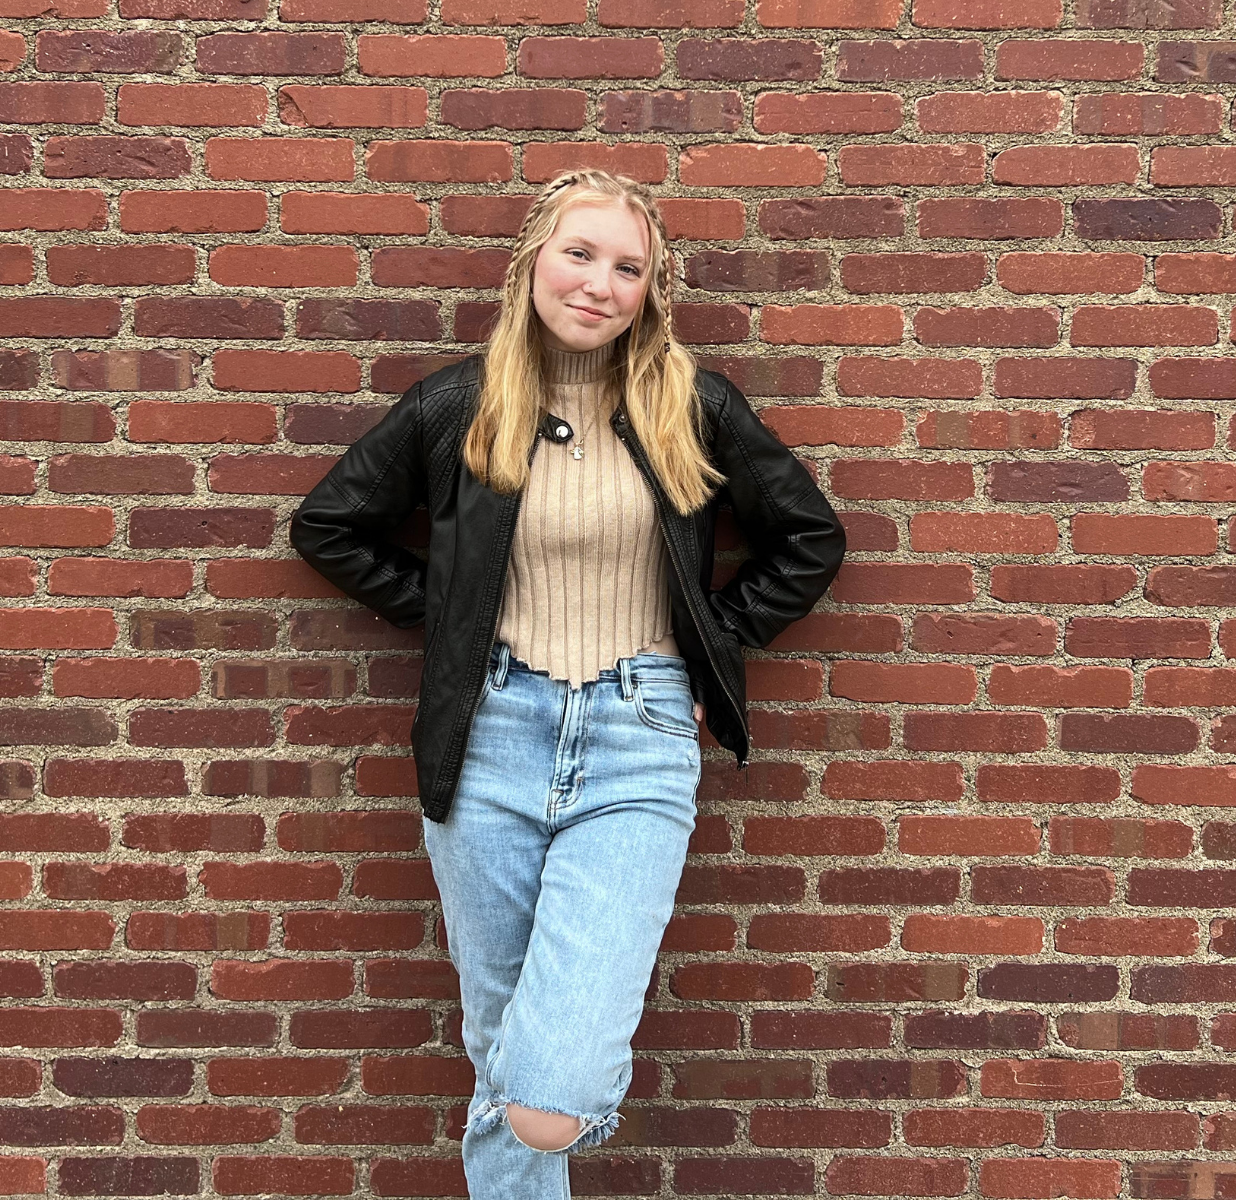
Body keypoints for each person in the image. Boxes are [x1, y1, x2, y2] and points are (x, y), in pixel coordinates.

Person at [289, 168, 846, 1199]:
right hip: (491, 733)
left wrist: (713, 646)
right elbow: (329, 526)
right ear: (532, 263)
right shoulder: (459, 404)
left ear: (651, 290)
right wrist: (454, 624)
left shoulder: (692, 403)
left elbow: (809, 539)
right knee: (500, 1037)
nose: (599, 284)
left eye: (627, 267)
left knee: (544, 1090)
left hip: (638, 742)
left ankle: (552, 1116)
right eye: (579, 255)